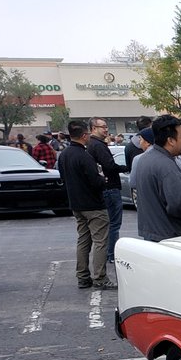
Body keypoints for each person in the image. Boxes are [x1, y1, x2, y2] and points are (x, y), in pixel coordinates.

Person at [56, 120, 112, 289]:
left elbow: (62, 177)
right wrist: (103, 180)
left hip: (76, 204)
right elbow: (95, 181)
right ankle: (100, 277)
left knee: (83, 240)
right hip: (93, 205)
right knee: (100, 241)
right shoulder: (84, 156)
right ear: (84, 135)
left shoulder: (64, 155)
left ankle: (82, 276)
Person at [131, 114, 181, 242]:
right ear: (170, 140)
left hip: (154, 234)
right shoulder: (166, 166)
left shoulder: (145, 159)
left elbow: (161, 193)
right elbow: (180, 205)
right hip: (172, 238)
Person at [87, 117, 129, 262]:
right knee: (113, 223)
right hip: (109, 188)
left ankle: (108, 253)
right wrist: (125, 168)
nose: (106, 129)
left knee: (108, 223)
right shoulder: (98, 146)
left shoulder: (93, 144)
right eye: (103, 127)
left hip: (104, 188)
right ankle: (111, 254)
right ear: (93, 128)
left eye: (106, 127)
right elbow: (109, 166)